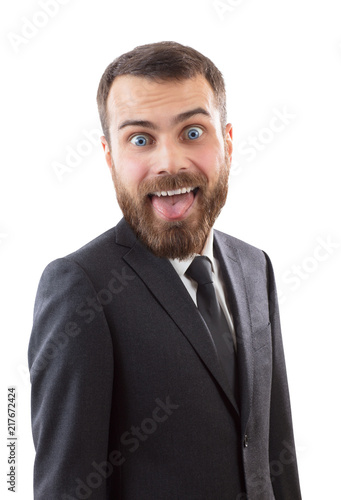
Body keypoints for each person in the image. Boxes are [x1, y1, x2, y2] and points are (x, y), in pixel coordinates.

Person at [28, 41, 302, 499]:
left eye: (193, 132)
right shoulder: (81, 287)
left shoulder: (256, 267)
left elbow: (276, 451)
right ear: (110, 156)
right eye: (140, 139)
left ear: (228, 142)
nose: (170, 163)